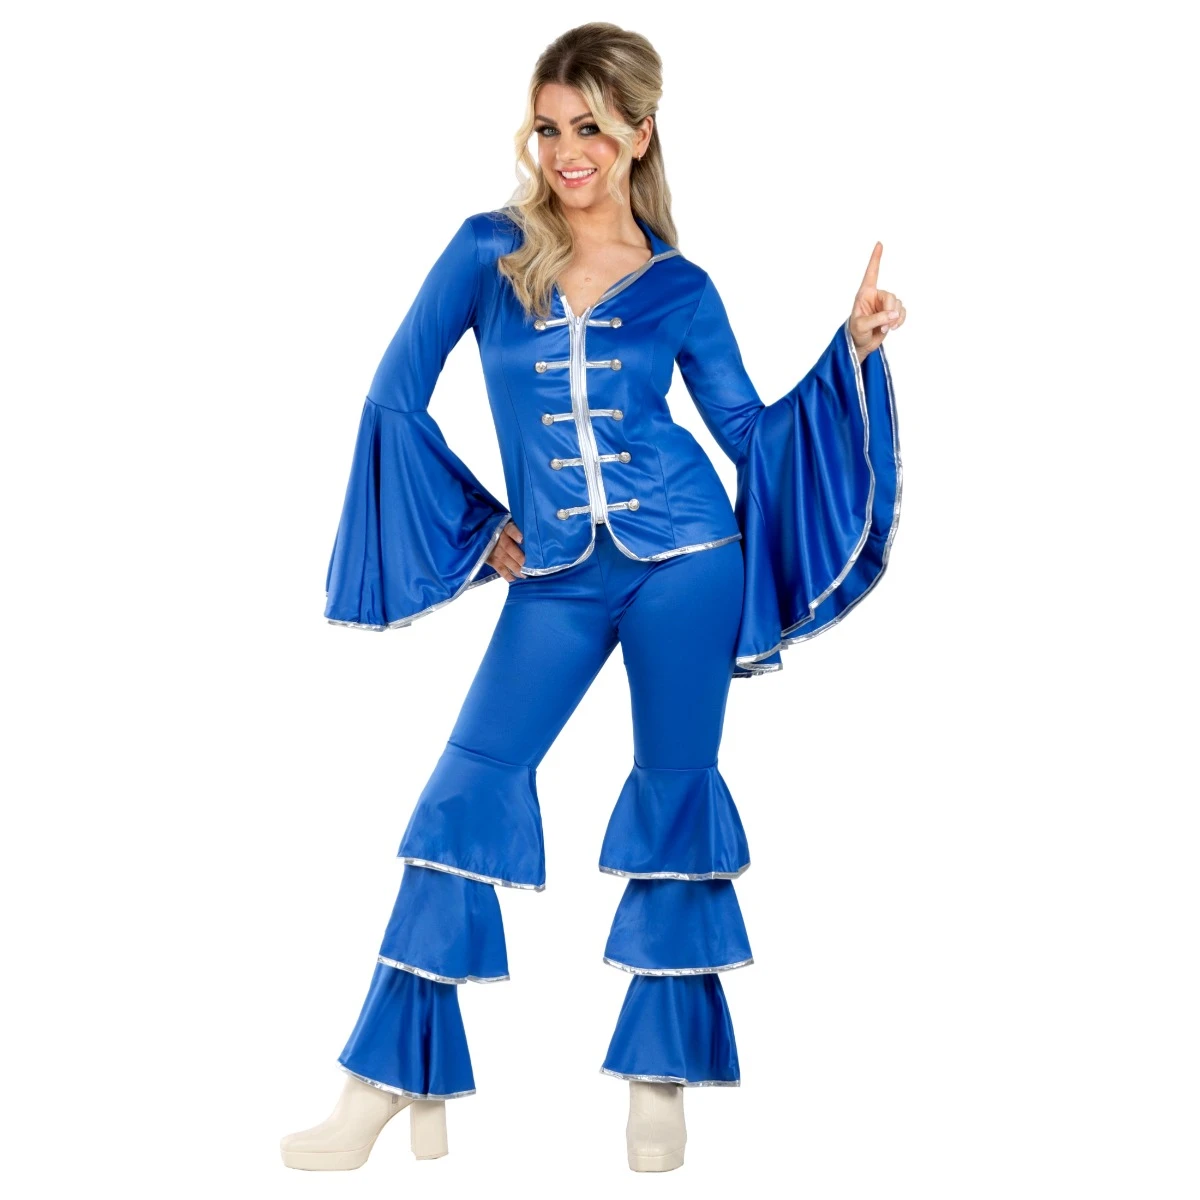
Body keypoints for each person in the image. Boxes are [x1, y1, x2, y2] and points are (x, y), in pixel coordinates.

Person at [280, 20, 904, 1175]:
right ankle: (386, 1082)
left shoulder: (682, 287)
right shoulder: (488, 250)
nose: (567, 152)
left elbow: (750, 436)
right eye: (549, 127)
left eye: (593, 129)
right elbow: (393, 397)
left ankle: (658, 1082)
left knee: (674, 800)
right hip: (558, 577)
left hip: (689, 562)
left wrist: (850, 353)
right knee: (465, 792)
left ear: (639, 134)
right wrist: (480, 532)